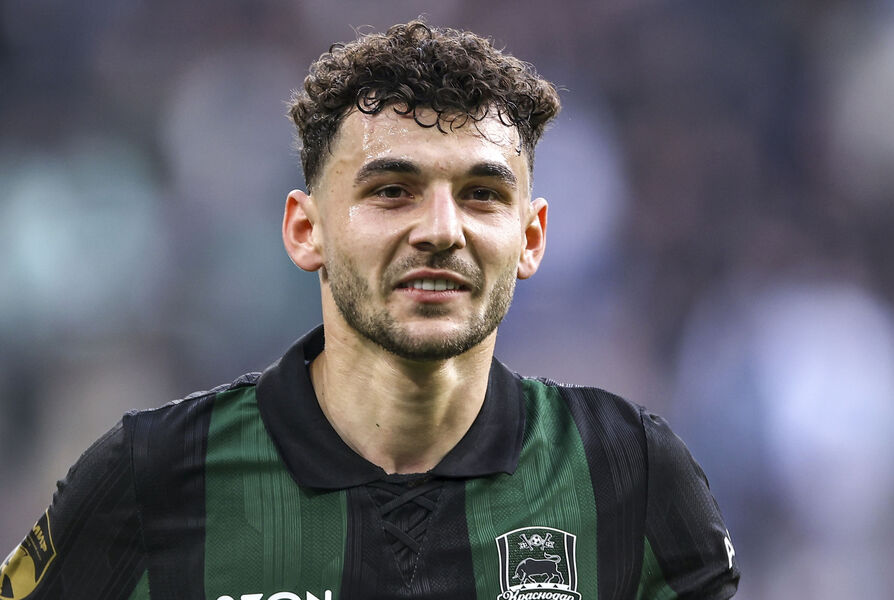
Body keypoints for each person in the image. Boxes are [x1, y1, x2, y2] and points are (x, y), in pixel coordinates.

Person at [0, 21, 739, 600]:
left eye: (482, 194)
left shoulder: (630, 473)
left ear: (531, 238)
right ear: (306, 230)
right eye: (392, 191)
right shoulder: (153, 476)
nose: (441, 230)